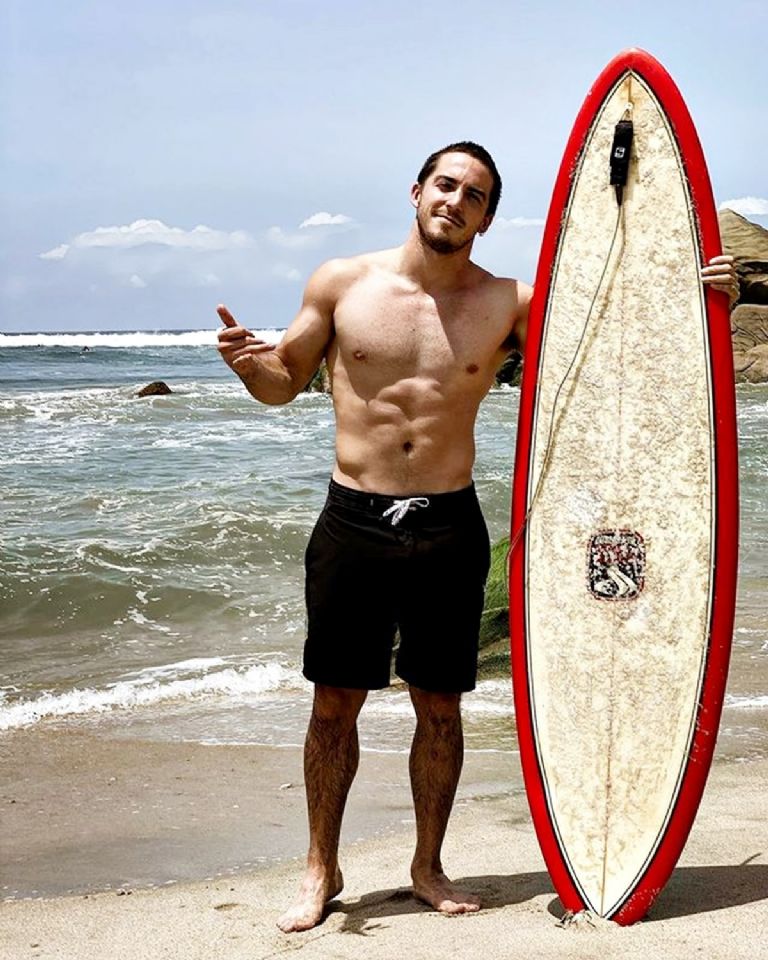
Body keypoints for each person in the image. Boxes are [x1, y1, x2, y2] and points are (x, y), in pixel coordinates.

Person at [216, 142, 737, 933]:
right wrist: (247, 366)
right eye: (446, 184)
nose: (456, 201)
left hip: (448, 527)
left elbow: (612, 348)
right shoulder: (342, 283)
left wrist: (702, 295)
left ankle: (427, 865)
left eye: (475, 195)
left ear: (487, 218)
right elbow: (282, 383)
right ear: (416, 191)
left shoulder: (510, 304)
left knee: (440, 708)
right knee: (333, 706)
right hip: (353, 522)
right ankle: (321, 867)